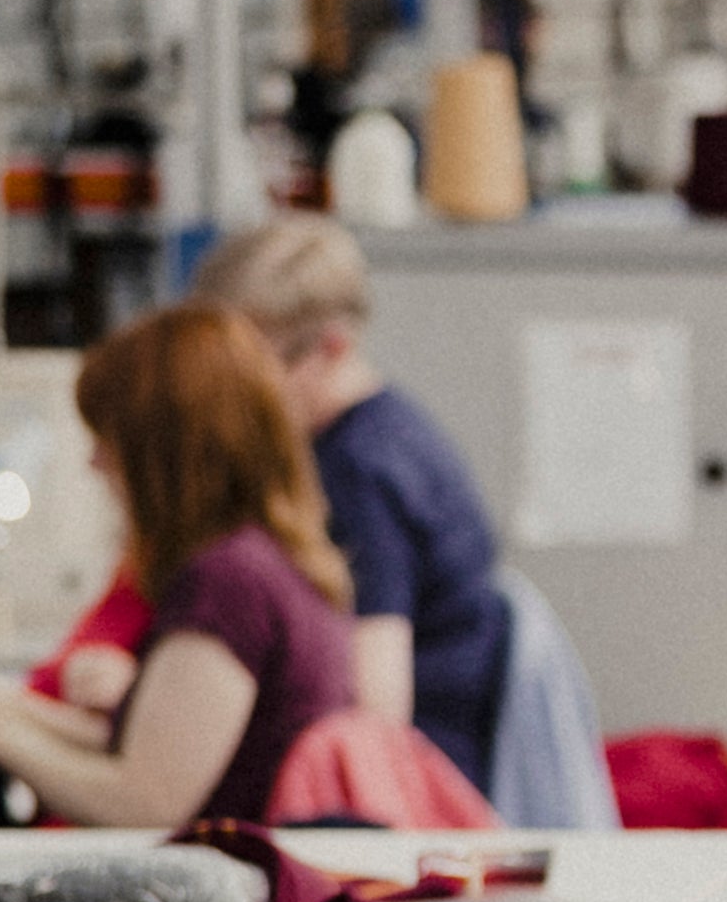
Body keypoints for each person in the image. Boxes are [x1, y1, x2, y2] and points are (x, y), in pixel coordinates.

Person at [0, 300, 355, 828]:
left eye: (110, 441)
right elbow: (149, 752)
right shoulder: (272, 564)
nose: (95, 464)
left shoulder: (230, 583)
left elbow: (146, 803)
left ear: (163, 453)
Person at [188, 212, 504, 787]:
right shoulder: (394, 429)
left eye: (255, 369)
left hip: (411, 799)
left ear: (333, 346)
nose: (230, 397)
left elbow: (376, 714)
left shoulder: (359, 473)